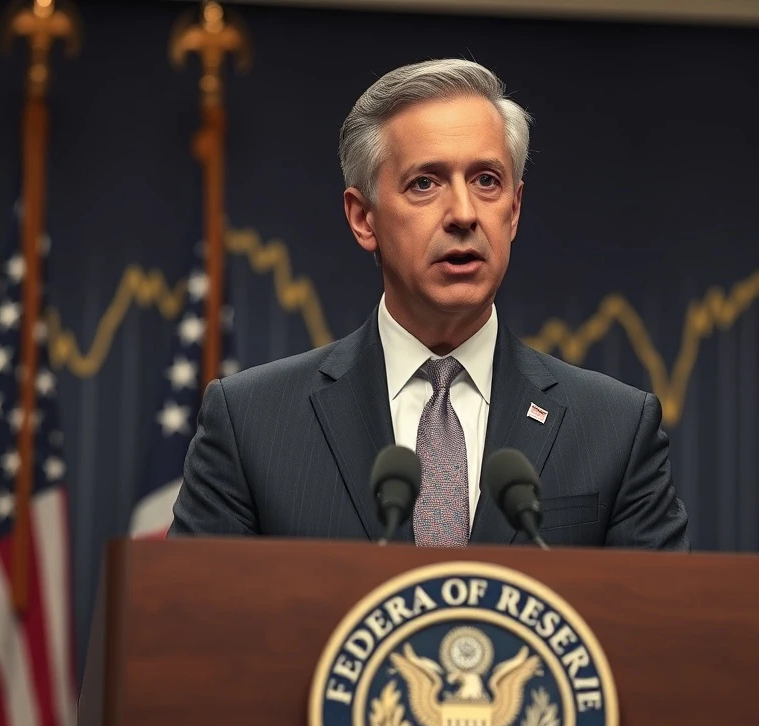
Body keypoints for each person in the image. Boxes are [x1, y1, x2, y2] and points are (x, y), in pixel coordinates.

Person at [169, 59, 689, 549]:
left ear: (514, 211)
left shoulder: (616, 429)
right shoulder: (252, 424)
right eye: (425, 183)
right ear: (362, 219)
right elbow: (190, 628)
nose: (464, 213)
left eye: (487, 181)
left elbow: (662, 630)